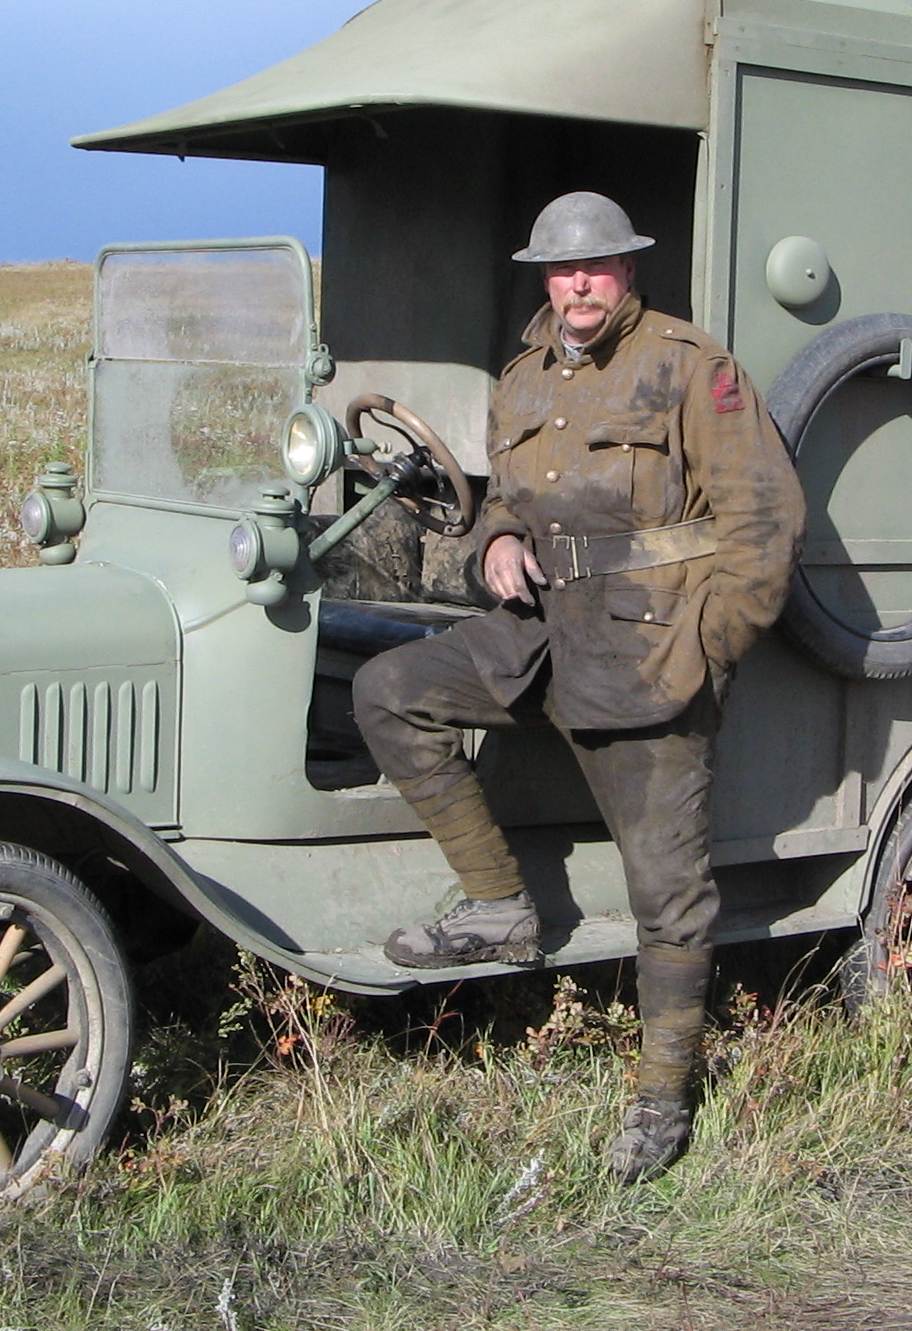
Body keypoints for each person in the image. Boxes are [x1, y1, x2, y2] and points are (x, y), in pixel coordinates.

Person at [351, 191, 807, 1182]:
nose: (578, 283)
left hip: (647, 654)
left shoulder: (690, 369)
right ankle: (497, 906)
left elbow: (764, 524)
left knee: (667, 895)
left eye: (596, 267)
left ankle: (659, 1093)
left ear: (628, 272)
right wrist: (500, 540)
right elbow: (501, 503)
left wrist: (707, 650)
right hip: (535, 637)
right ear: (544, 279)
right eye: (561, 270)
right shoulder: (522, 379)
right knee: (388, 689)